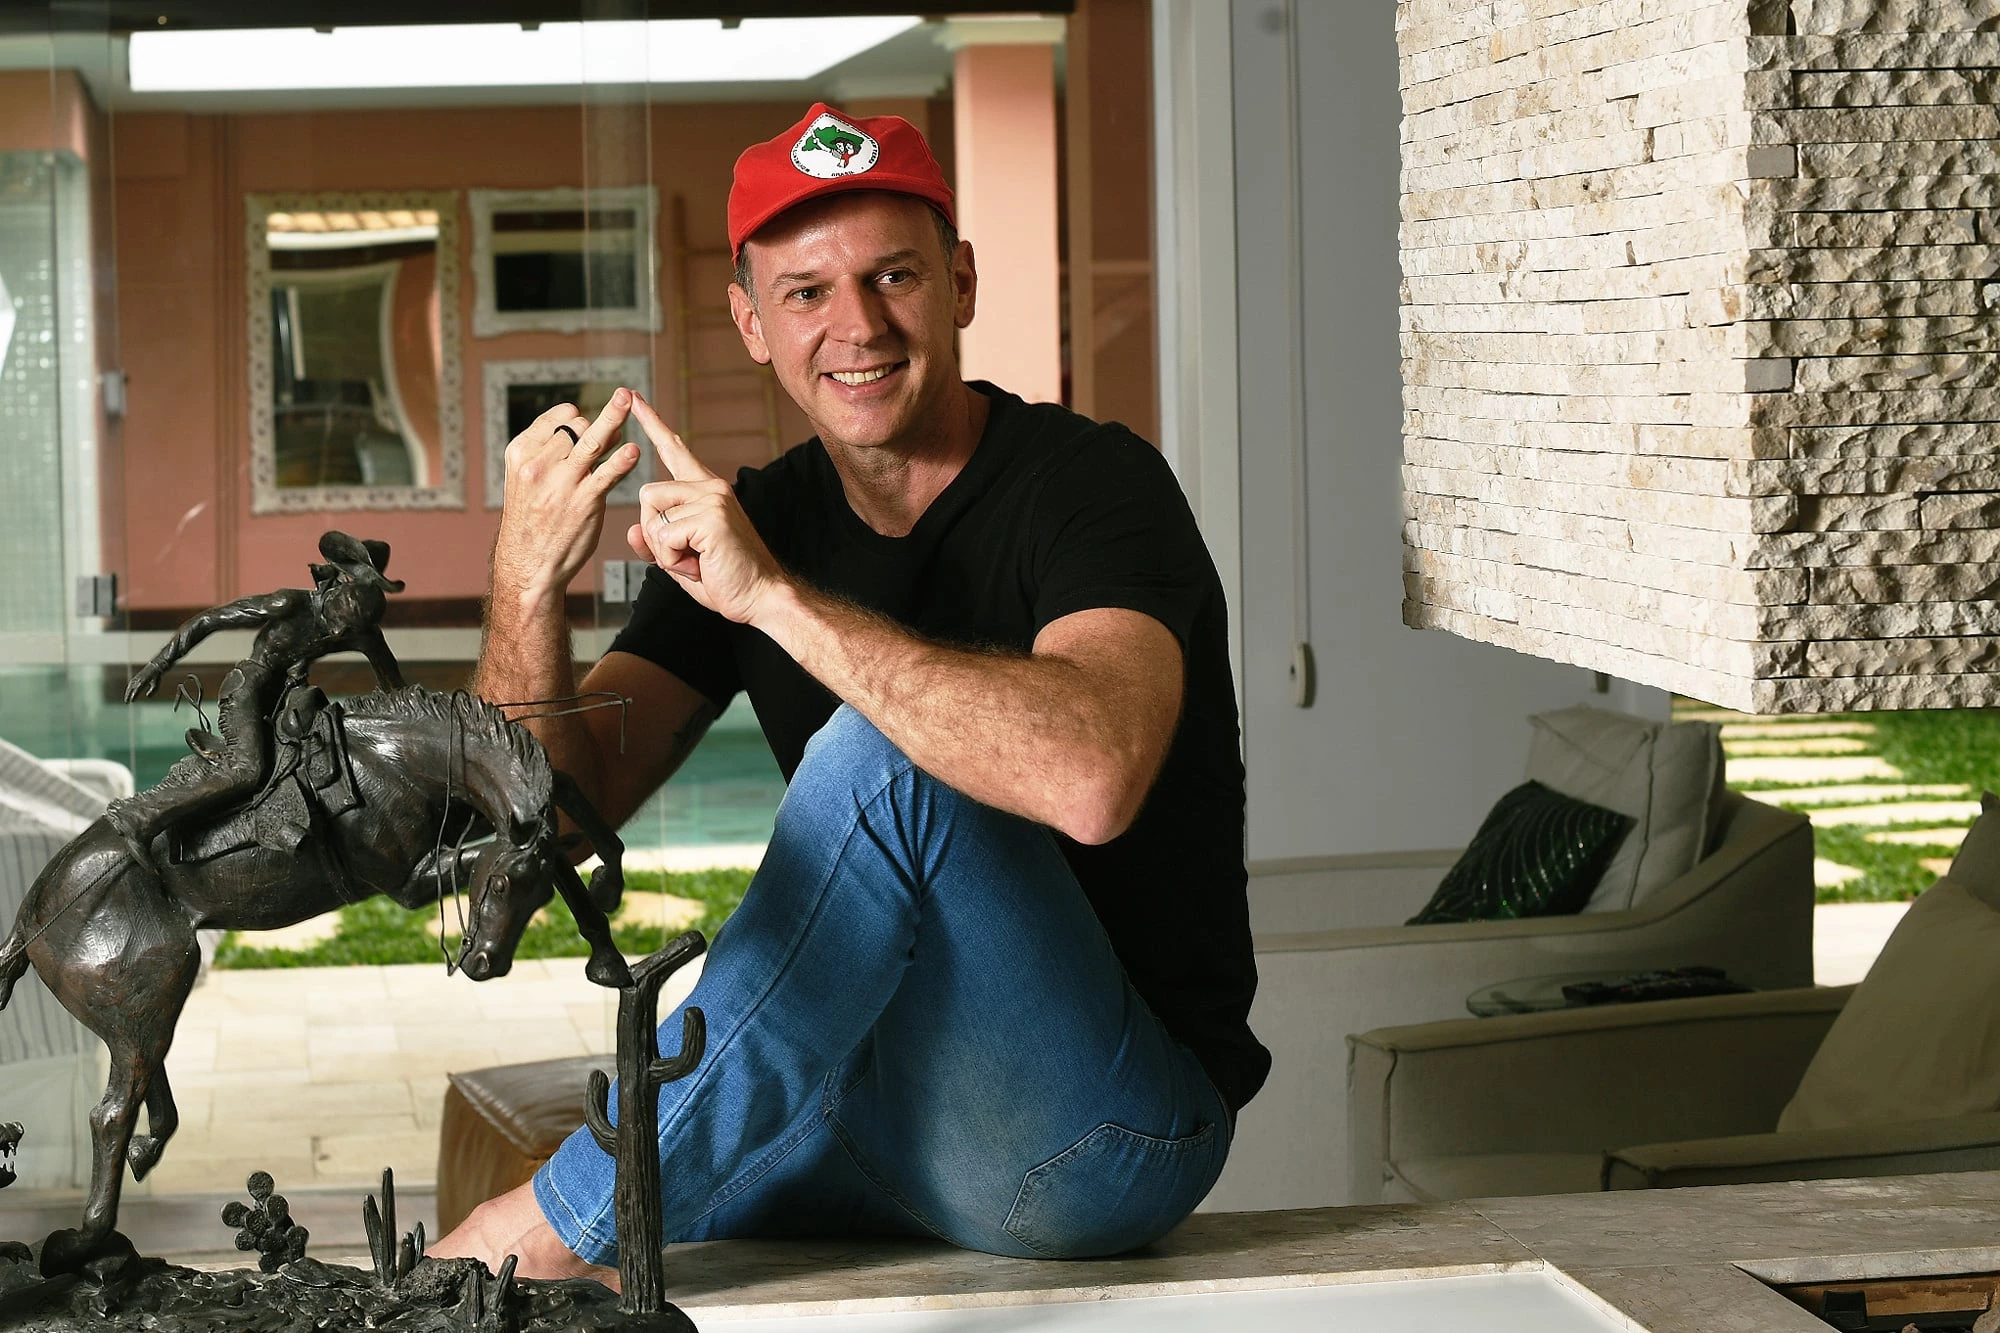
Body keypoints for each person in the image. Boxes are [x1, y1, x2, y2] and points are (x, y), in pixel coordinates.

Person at [436, 103, 1266, 1280]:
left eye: (894, 276)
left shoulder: (1096, 486)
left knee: (877, 762)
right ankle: (506, 1260)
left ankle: (538, 1228)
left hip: (1101, 1130)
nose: (858, 325)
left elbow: (1090, 777)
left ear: (961, 283)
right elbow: (543, 833)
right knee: (537, 1299)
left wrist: (773, 599)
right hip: (870, 1119)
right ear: (752, 326)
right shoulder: (765, 516)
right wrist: (526, 581)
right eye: (807, 293)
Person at [108, 531, 407, 879]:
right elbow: (210, 620)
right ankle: (139, 816)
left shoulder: (362, 632)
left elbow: (395, 691)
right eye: (338, 622)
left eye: (348, 631)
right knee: (246, 770)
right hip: (249, 687)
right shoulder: (289, 604)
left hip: (290, 698)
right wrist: (158, 665)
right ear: (336, 591)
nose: (338, 634)